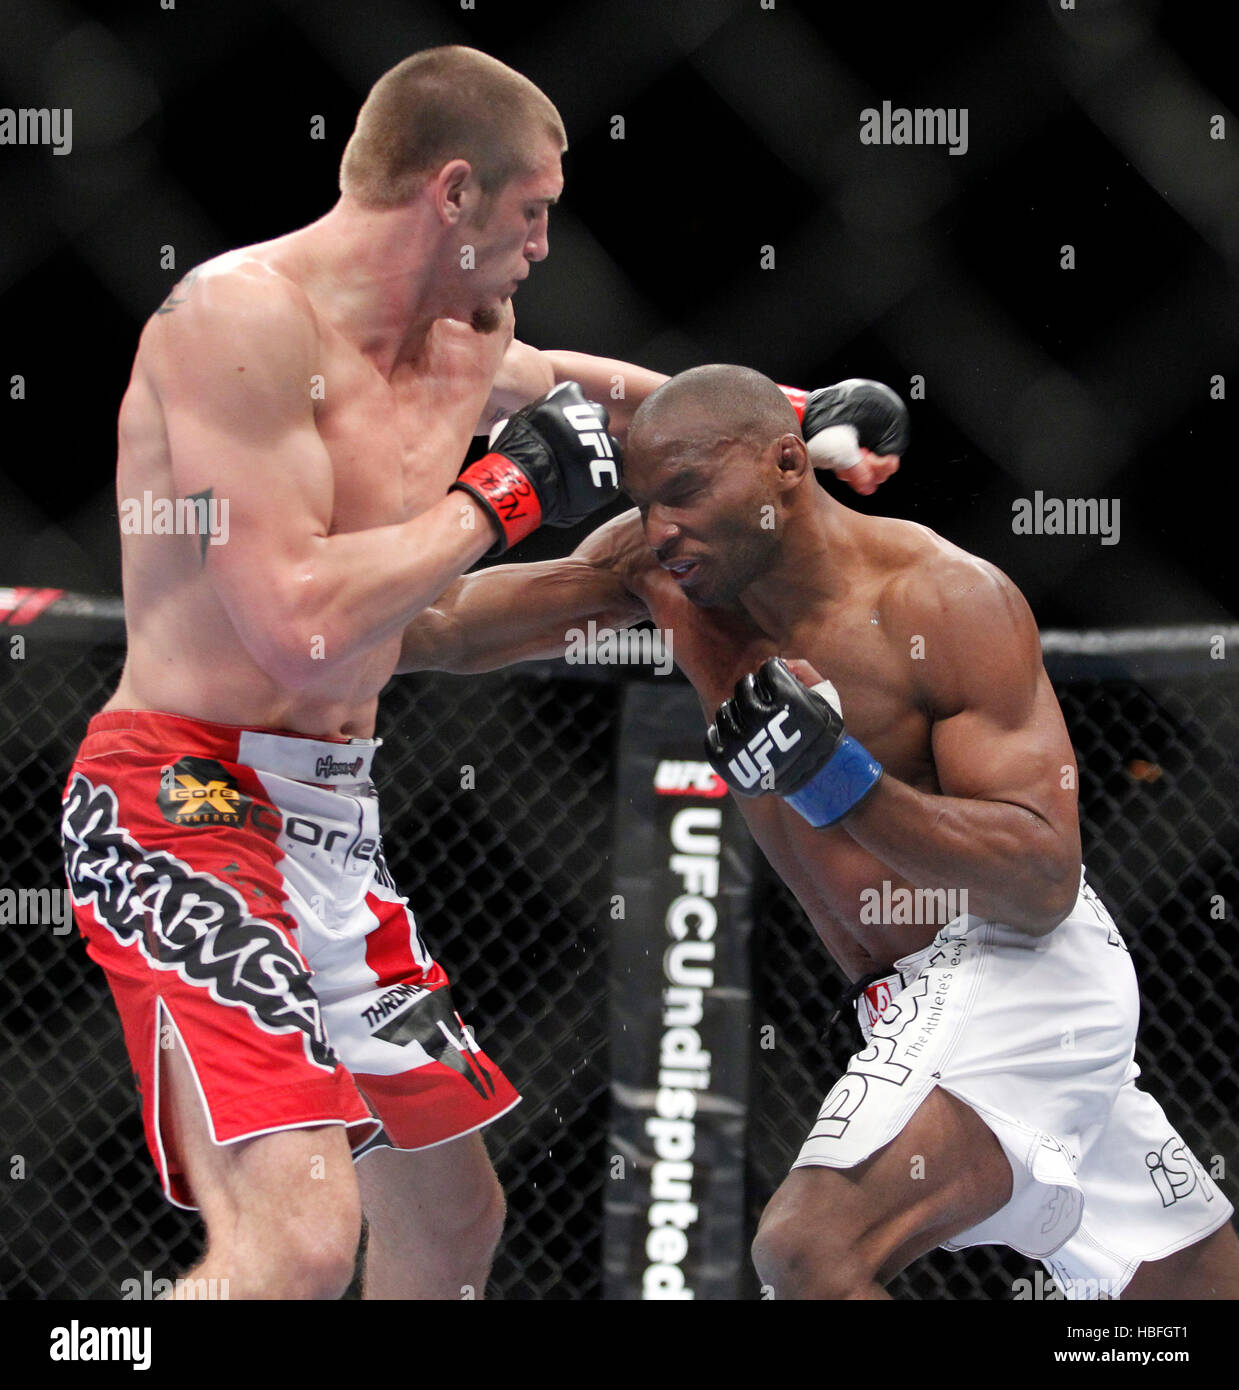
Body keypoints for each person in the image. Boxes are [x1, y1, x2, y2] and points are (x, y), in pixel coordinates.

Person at [58, 45, 893, 1301]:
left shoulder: (462, 341)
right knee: (291, 1246)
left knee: (448, 1228)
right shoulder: (236, 324)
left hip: (330, 818)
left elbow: (593, 391)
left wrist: (789, 411)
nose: (546, 245)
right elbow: (297, 625)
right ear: (452, 193)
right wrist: (499, 496)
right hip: (185, 799)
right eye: (533, 210)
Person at [399, 362, 1239, 1299]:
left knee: (808, 1253)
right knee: (1187, 1292)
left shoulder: (941, 600)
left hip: (1013, 966)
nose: (662, 526)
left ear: (787, 468)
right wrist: (465, 514)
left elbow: (1039, 879)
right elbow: (435, 629)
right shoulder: (664, 571)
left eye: (685, 493)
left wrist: (837, 780)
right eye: (645, 502)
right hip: (905, 998)